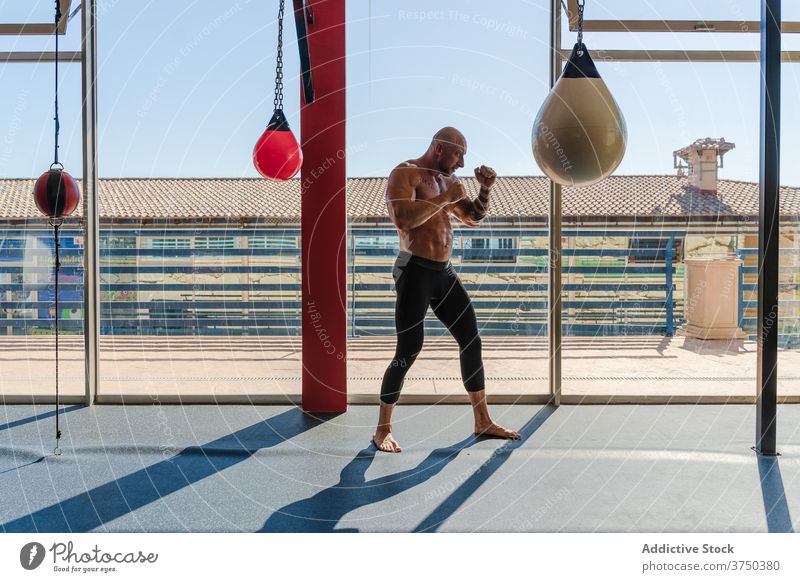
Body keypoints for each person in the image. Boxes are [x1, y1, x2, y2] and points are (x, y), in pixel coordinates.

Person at [373, 127, 521, 453]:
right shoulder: (406, 173)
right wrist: (444, 199)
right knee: (408, 350)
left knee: (471, 338)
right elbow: (402, 219)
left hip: (443, 271)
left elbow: (471, 217)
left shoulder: (444, 181)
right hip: (415, 271)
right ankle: (382, 429)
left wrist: (484, 190)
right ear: (440, 148)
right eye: (458, 154)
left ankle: (482, 419)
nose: (462, 162)